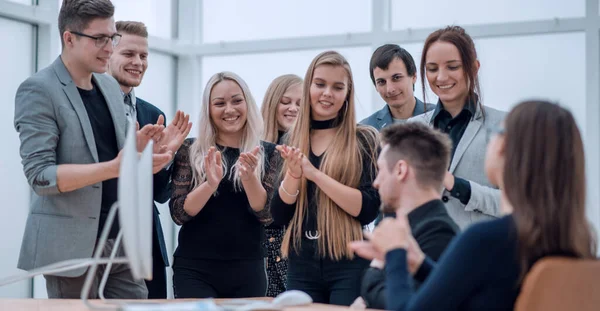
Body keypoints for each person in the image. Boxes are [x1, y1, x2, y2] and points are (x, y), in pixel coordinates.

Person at [352, 100, 597, 310]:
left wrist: (394, 253)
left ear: (504, 149)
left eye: (495, 133)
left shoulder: (487, 240)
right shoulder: (577, 239)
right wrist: (420, 265)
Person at [14, 0, 172, 299]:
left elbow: (122, 162)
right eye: (99, 39)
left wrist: (143, 159)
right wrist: (116, 166)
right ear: (69, 37)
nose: (109, 48)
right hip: (71, 248)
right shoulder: (38, 89)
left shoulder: (109, 87)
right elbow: (40, 176)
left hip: (122, 241)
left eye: (111, 38)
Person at [270, 50, 380, 306]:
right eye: (320, 84)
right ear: (308, 86)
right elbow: (279, 215)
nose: (327, 93)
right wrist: (294, 177)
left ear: (347, 94)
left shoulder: (364, 140)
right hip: (301, 265)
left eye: (337, 87)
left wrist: (315, 175)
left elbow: (368, 209)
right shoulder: (290, 140)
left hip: (349, 266)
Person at [169, 71, 278, 299]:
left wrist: (249, 179)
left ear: (247, 103)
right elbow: (179, 213)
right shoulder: (191, 149)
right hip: (194, 269)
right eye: (220, 103)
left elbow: (267, 215)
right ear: (208, 109)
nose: (230, 110)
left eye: (237, 101)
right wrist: (209, 184)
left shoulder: (268, 153)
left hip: (248, 268)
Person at [108, 20, 192, 299]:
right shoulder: (87, 108)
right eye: (129, 54)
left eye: (143, 56)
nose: (138, 62)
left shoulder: (152, 114)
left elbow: (159, 194)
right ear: (108, 52)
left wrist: (164, 158)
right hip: (97, 241)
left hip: (146, 249)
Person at [352, 123, 459, 310]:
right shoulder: (414, 225)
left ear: (401, 170)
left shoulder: (437, 231)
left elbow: (407, 303)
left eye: (380, 171)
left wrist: (375, 270)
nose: (376, 183)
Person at [409, 26, 506, 229]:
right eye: (432, 69)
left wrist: (462, 188)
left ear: (474, 67)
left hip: (479, 251)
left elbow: (515, 203)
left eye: (452, 67)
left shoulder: (503, 126)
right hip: (425, 253)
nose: (441, 77)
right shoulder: (412, 130)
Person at [260, 74, 302, 297]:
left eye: (300, 104)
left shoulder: (311, 151)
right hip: (261, 258)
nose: (293, 109)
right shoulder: (253, 148)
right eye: (286, 102)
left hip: (297, 254)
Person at [360, 44, 434, 130]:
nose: (390, 89)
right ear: (375, 86)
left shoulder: (440, 117)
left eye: (396, 78)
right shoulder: (367, 130)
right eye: (381, 82)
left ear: (414, 76)